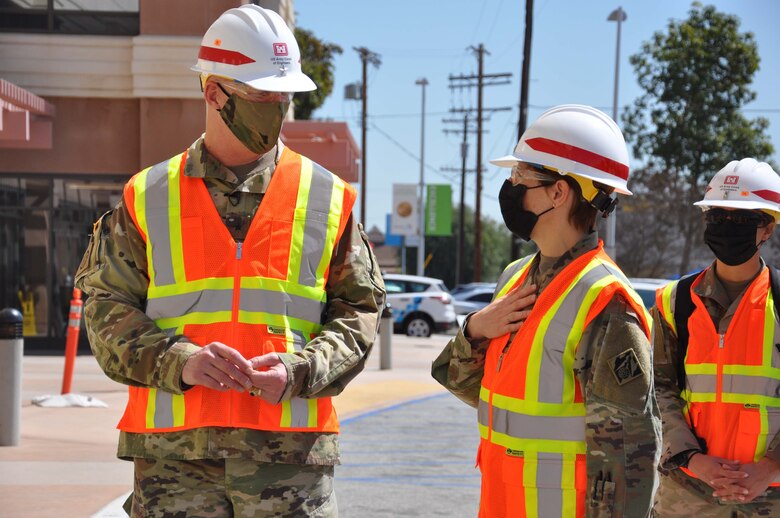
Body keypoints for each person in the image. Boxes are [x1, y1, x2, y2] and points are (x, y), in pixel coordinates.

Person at [75, 5, 385, 517]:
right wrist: (182, 360)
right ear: (213, 91)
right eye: (259, 95)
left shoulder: (329, 197)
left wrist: (299, 370)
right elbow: (106, 314)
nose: (275, 108)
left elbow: (359, 314)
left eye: (282, 97)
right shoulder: (148, 194)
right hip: (174, 462)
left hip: (290, 460)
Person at [432, 104, 661, 517]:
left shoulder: (605, 301)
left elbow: (629, 455)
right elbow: (473, 389)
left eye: (521, 176)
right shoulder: (515, 278)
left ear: (559, 192)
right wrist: (475, 332)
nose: (510, 186)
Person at [651, 158, 780, 516]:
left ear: (767, 228)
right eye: (717, 217)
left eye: (740, 220)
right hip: (688, 491)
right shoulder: (674, 301)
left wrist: (770, 467)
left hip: (769, 495)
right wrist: (691, 458)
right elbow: (658, 388)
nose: (727, 227)